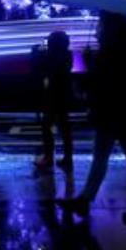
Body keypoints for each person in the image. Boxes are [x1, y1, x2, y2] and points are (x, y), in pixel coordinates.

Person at [57, 12, 126, 223]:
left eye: (102, 27)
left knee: (112, 157)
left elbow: (100, 83)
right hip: (124, 113)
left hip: (111, 113)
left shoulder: (108, 55)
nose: (98, 31)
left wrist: (86, 66)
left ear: (111, 32)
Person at [35, 31, 74, 172]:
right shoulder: (68, 55)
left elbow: (40, 69)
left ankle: (48, 158)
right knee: (65, 127)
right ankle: (68, 158)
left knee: (47, 127)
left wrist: (37, 54)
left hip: (52, 95)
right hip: (65, 94)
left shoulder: (50, 56)